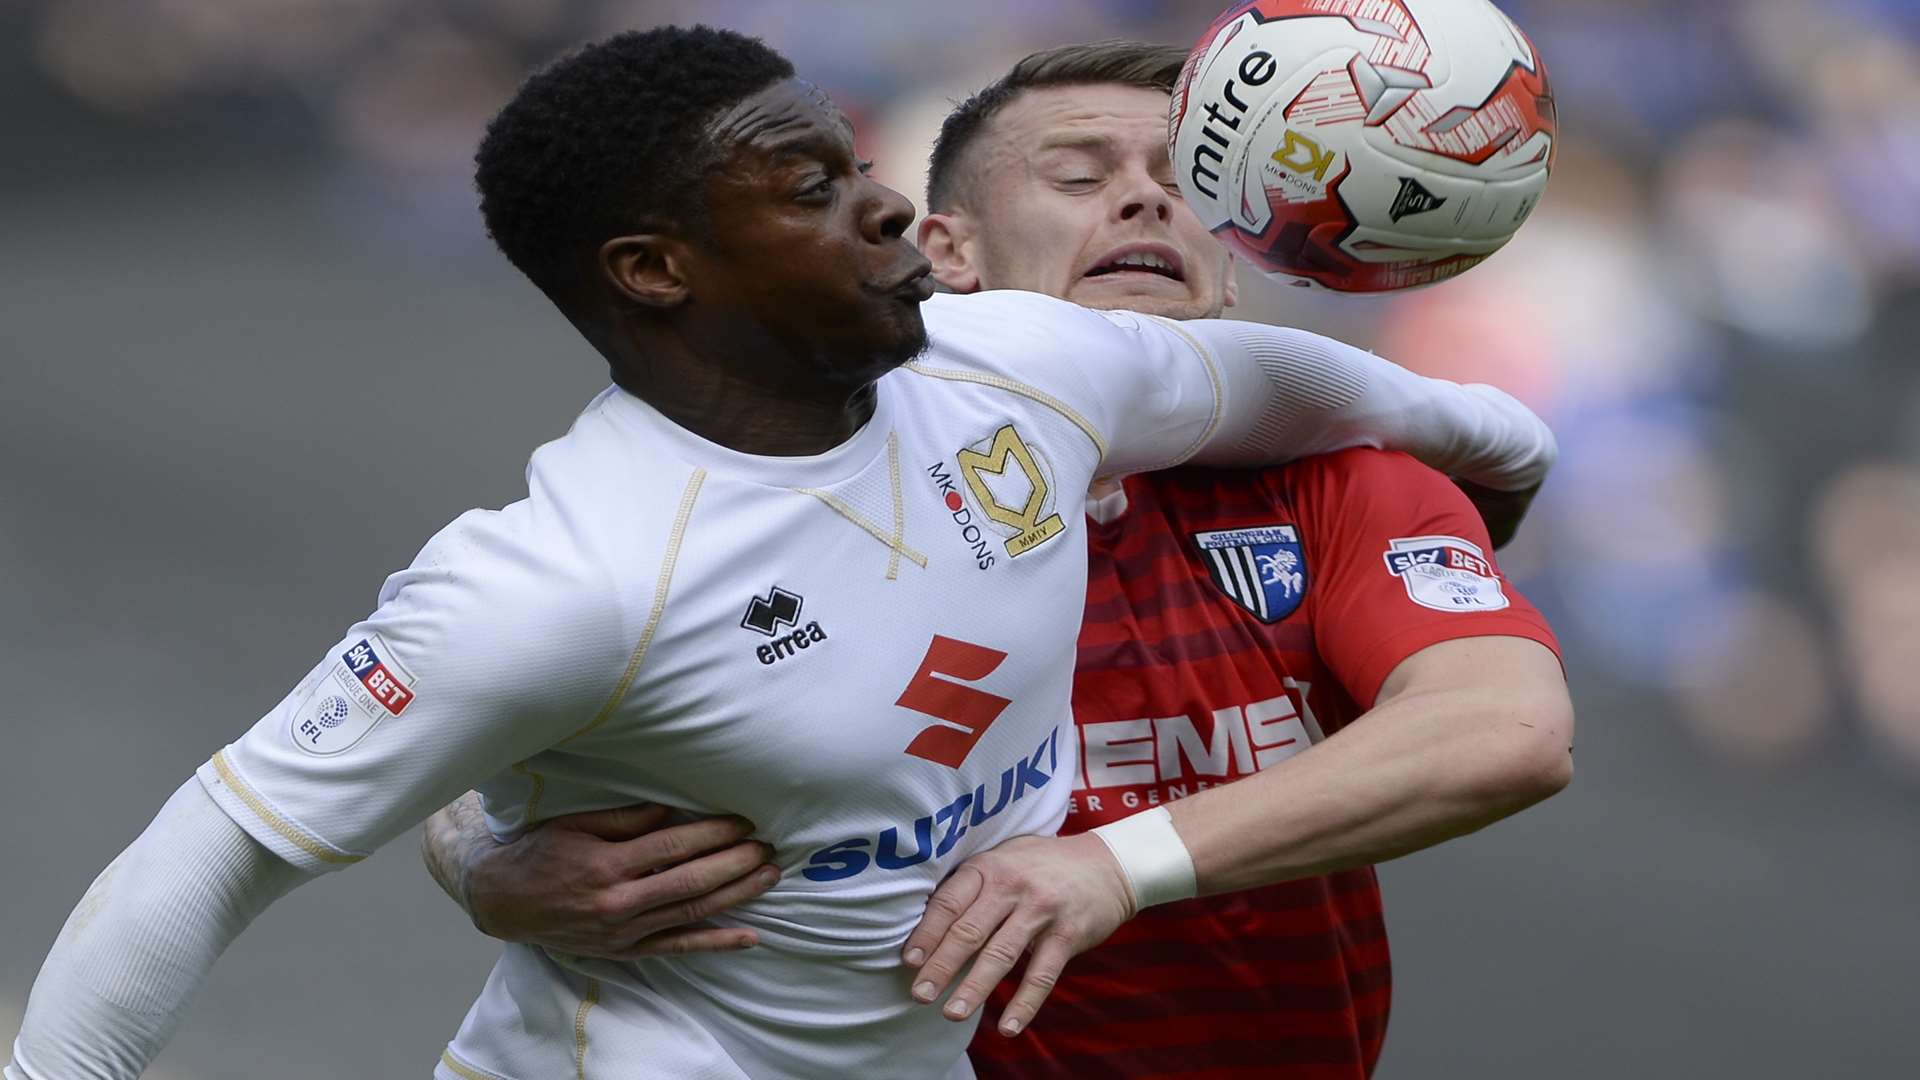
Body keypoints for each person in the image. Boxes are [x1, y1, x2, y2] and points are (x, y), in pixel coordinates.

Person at [5, 28, 1561, 1080]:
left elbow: (1318, 409)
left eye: (856, 165)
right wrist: (482, 850)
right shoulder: (574, 573)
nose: (876, 206)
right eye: (817, 190)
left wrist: (1498, 440)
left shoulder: (1061, 385)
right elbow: (227, 837)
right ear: (656, 272)